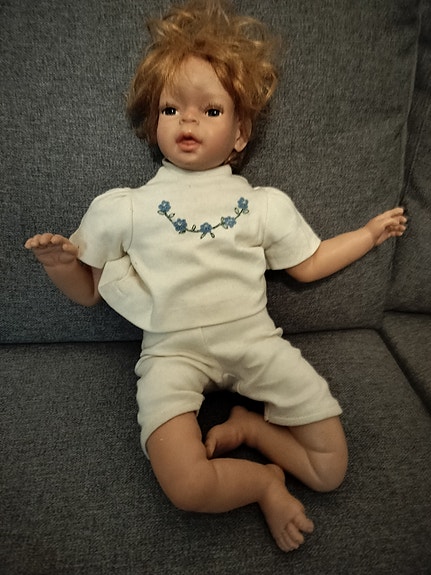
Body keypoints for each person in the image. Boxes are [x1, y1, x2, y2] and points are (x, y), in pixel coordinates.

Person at [25, 0, 407, 553]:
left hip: (254, 341)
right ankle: (262, 483)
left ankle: (252, 428)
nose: (188, 121)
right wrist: (62, 265)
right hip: (171, 351)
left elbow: (309, 263)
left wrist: (368, 235)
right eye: (171, 108)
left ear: (240, 133)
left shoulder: (264, 205)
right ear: (154, 122)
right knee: (186, 485)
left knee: (329, 470)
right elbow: (88, 293)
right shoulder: (124, 208)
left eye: (210, 110)